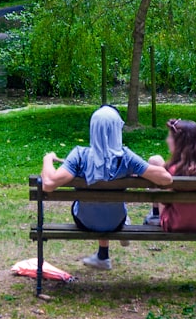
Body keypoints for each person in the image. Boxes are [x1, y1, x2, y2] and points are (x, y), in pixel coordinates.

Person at [40, 105, 172, 270]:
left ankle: (103, 255)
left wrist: (48, 159)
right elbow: (166, 179)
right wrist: (140, 171)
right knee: (111, 204)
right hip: (116, 221)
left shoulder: (79, 156)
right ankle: (112, 242)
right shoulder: (126, 158)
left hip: (84, 221)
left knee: (88, 204)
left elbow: (48, 184)